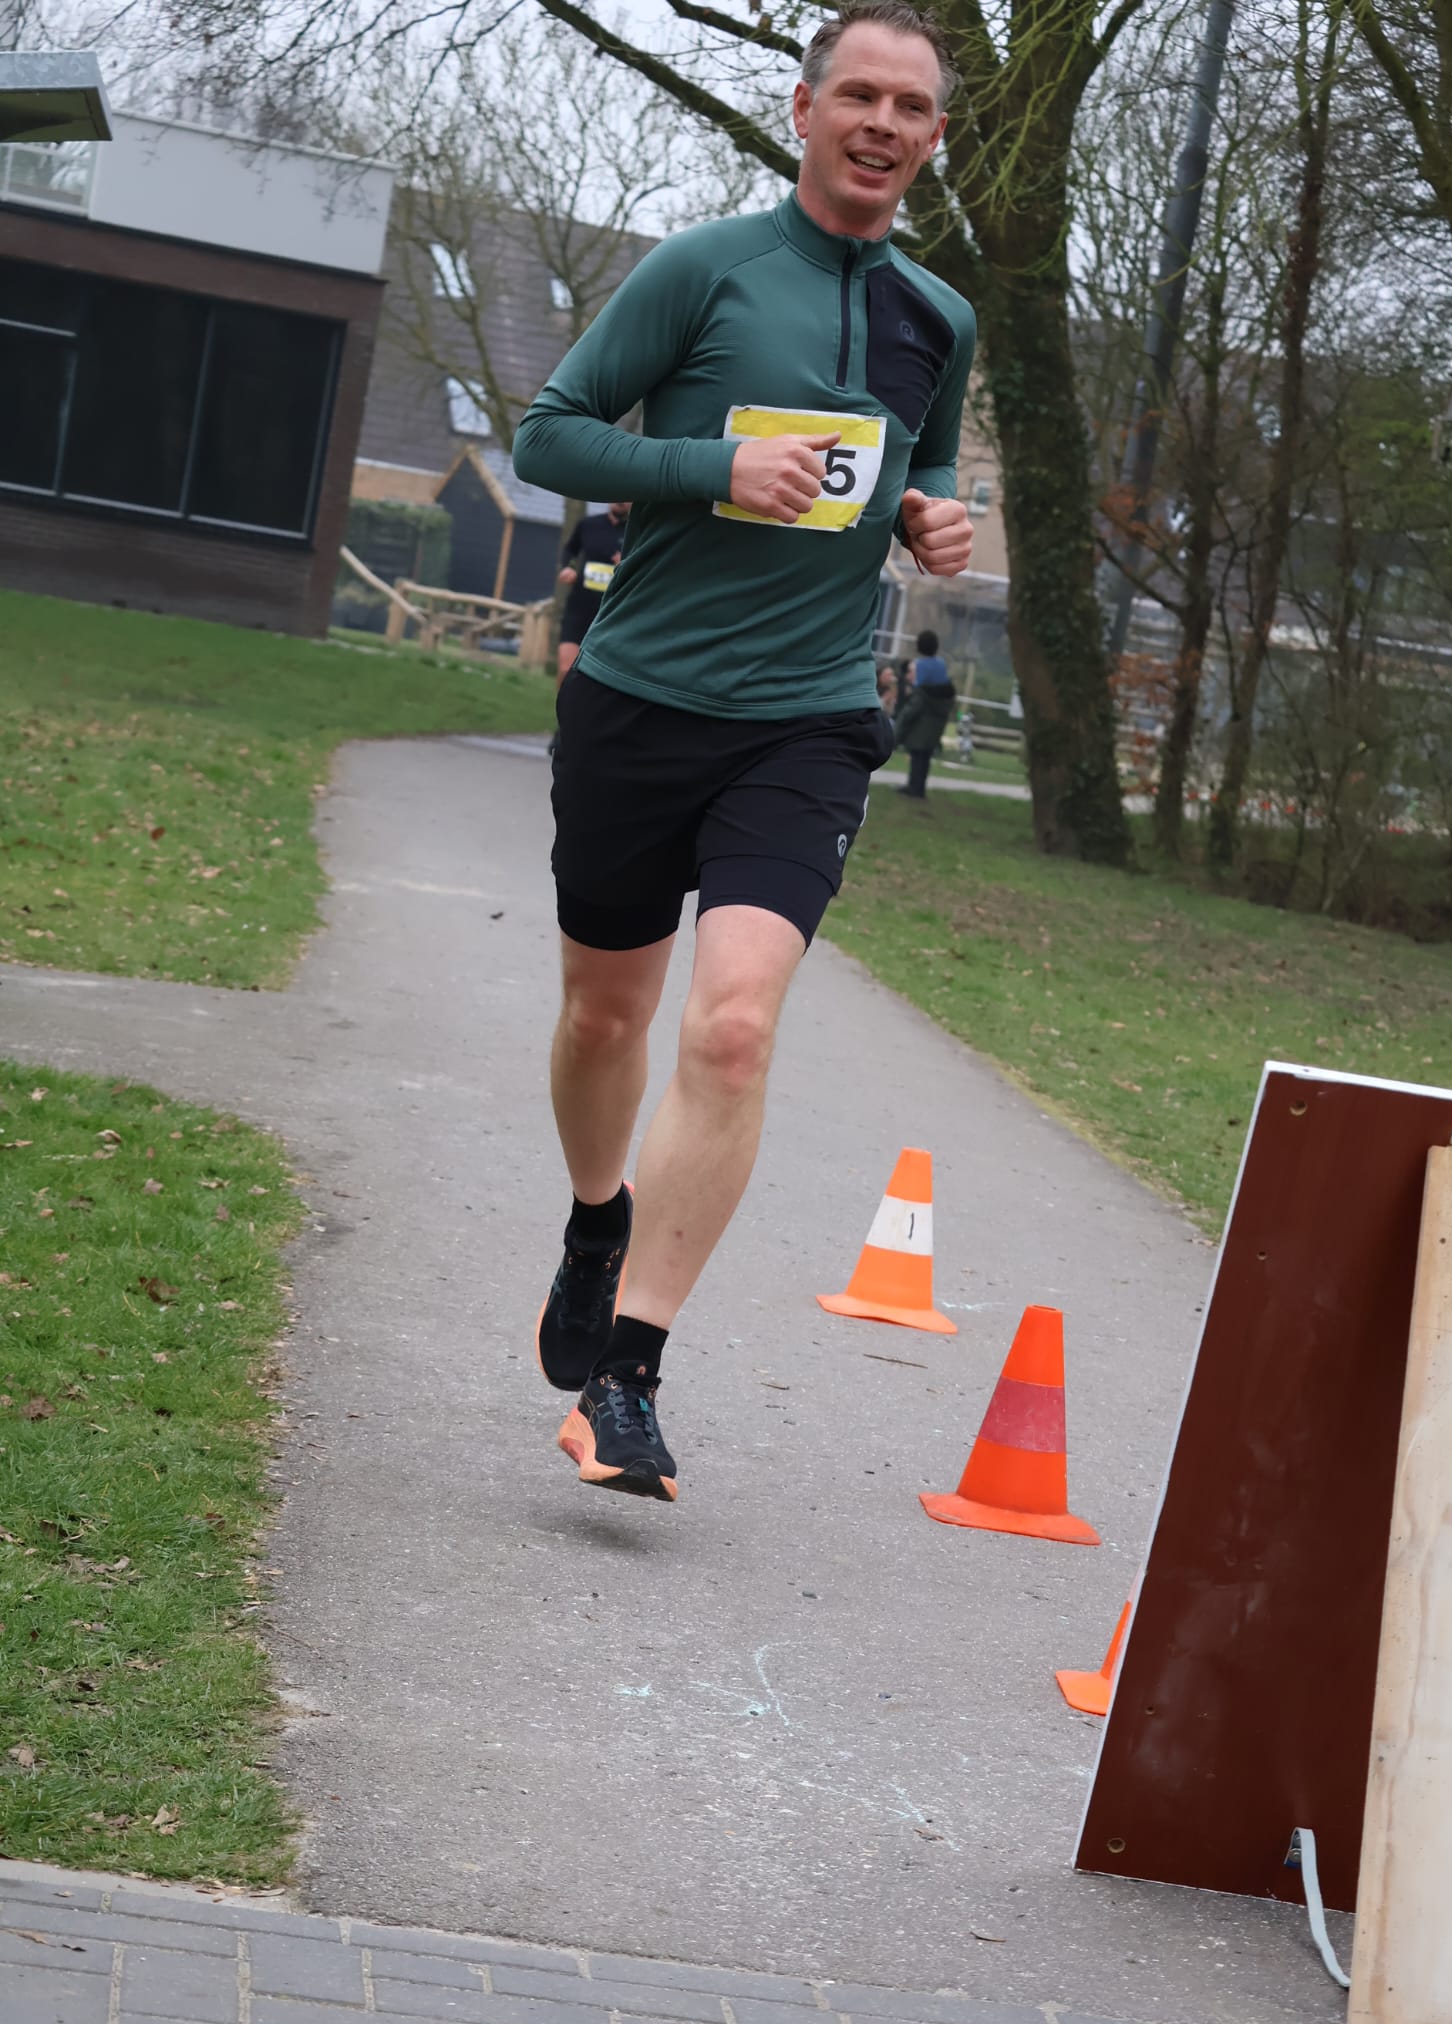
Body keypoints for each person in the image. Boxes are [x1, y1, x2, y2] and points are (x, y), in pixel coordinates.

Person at [512, 0, 975, 1503]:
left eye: (912, 106)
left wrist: (933, 516)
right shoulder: (703, 269)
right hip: (643, 698)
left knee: (730, 1029)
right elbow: (548, 434)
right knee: (606, 1017)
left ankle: (629, 1379)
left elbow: (921, 464)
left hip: (809, 716)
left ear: (934, 136)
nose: (883, 124)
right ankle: (598, 1217)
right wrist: (717, 467)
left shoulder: (940, 317)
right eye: (861, 95)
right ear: (805, 108)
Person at [556, 502, 630, 686]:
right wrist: (568, 568)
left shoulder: (637, 532)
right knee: (567, 670)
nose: (620, 500)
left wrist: (627, 564)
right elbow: (570, 550)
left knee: (595, 681)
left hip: (612, 615)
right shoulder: (589, 524)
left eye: (627, 496)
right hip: (579, 608)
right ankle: (562, 705)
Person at [892, 627, 955, 797]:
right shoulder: (941, 663)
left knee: (917, 753)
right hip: (938, 716)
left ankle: (915, 787)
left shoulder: (920, 665)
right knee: (925, 755)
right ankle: (918, 787)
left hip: (924, 715)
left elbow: (918, 690)